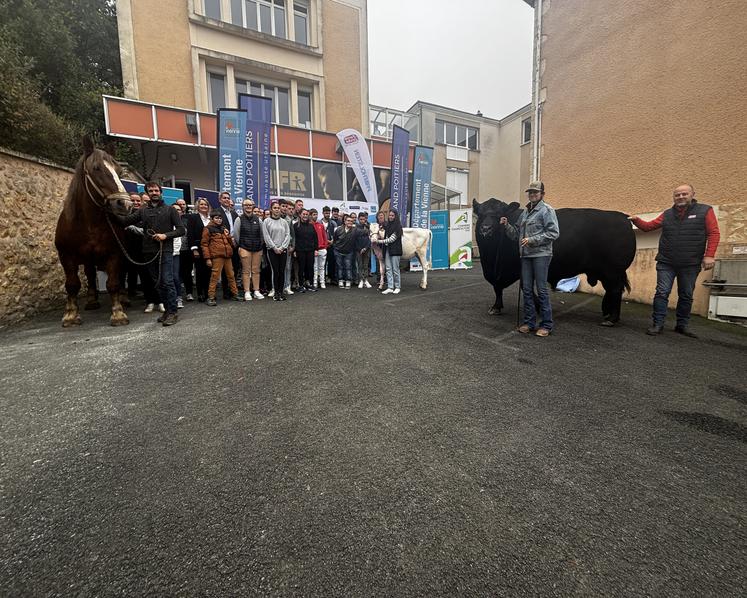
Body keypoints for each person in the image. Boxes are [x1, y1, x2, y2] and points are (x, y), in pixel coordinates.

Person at [629, 184, 720, 338]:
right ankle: (657, 324)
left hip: (690, 263)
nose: (681, 197)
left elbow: (714, 233)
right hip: (666, 262)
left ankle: (682, 325)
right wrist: (636, 220)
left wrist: (709, 255)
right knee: (662, 292)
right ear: (674, 197)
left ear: (692, 194)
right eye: (677, 195)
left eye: (684, 194)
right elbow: (648, 227)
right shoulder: (667, 214)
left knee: (686, 295)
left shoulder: (705, 211)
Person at [114, 181, 185, 326]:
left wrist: (166, 235)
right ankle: (166, 311)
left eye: (156, 191)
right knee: (158, 283)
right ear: (147, 193)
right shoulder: (143, 211)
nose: (154, 193)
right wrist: (111, 212)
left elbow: (181, 230)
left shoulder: (170, 210)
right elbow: (125, 221)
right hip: (148, 251)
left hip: (164, 250)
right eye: (151, 191)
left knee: (167, 281)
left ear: (161, 192)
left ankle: (172, 312)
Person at [500, 181, 560, 337]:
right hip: (525, 256)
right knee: (526, 289)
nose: (532, 194)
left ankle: (546, 325)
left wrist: (533, 239)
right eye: (530, 192)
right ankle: (529, 322)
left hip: (541, 255)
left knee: (541, 290)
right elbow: (516, 233)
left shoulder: (547, 210)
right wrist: (507, 225)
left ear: (542, 194)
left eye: (535, 192)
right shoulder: (525, 212)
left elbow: (554, 233)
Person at [201, 210, 240, 306]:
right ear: (212, 218)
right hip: (217, 256)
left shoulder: (223, 228)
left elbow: (231, 244)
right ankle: (211, 297)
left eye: (220, 218)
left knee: (231, 275)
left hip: (227, 256)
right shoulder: (208, 229)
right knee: (214, 277)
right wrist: (207, 258)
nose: (219, 220)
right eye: (216, 218)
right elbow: (204, 244)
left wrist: (228, 236)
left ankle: (235, 294)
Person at [233, 199, 265, 301]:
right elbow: (236, 235)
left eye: (250, 205)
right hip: (244, 248)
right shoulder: (239, 219)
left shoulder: (258, 219)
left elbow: (262, 234)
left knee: (256, 271)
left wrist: (260, 244)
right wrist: (241, 246)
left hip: (257, 248)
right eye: (246, 205)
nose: (248, 206)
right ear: (242, 206)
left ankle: (256, 290)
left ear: (253, 206)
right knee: (246, 271)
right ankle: (247, 291)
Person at [262, 201, 291, 301]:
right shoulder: (266, 221)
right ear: (271, 209)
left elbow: (288, 235)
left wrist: (282, 247)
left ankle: (281, 292)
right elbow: (266, 236)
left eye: (278, 208)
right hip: (272, 250)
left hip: (283, 250)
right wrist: (274, 248)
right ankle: (276, 292)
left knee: (282, 271)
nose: (277, 209)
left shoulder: (284, 222)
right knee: (276, 271)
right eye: (275, 208)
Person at [373, 209, 404, 295]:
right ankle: (390, 287)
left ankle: (397, 287)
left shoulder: (398, 227)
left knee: (395, 270)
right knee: (388, 269)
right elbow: (386, 236)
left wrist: (378, 241)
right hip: (387, 250)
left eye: (392, 215)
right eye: (389, 215)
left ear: (395, 216)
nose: (390, 217)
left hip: (395, 251)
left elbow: (391, 239)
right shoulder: (388, 226)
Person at [187, 198, 212, 302]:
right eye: (201, 204)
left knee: (209, 271)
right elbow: (190, 234)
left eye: (205, 205)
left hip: (210, 248)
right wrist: (194, 249)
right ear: (197, 206)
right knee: (200, 271)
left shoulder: (211, 218)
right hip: (198, 248)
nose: (204, 206)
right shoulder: (193, 217)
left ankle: (208, 292)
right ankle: (200, 293)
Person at [218, 191, 240, 298]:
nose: (226, 200)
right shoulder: (217, 212)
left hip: (234, 244)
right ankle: (226, 291)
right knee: (225, 269)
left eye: (228, 198)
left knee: (235, 268)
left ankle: (233, 290)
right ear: (220, 200)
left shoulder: (234, 213)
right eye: (224, 198)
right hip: (224, 244)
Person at [293, 208, 319, 293]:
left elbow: (315, 238)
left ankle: (309, 284)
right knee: (301, 268)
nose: (305, 216)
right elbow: (294, 239)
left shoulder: (311, 226)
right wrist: (295, 250)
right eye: (303, 214)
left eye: (306, 214)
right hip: (300, 250)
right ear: (300, 215)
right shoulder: (296, 226)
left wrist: (316, 249)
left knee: (310, 268)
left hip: (310, 250)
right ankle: (300, 285)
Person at [175, 199, 194, 301]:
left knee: (187, 272)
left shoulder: (188, 218)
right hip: (174, 251)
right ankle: (178, 296)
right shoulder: (169, 219)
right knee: (176, 274)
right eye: (179, 205)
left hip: (186, 250)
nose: (181, 207)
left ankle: (189, 293)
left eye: (183, 204)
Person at [333, 214, 357, 289]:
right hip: (338, 251)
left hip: (349, 252)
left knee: (348, 267)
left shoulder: (355, 230)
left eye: (351, 221)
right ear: (345, 221)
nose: (350, 222)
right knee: (339, 267)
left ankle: (348, 281)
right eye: (348, 221)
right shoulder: (338, 229)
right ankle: (340, 280)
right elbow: (335, 239)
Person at [310, 209, 328, 289]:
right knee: (315, 267)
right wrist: (313, 249)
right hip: (313, 250)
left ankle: (322, 282)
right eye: (314, 214)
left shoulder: (320, 225)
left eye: (316, 214)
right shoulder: (309, 225)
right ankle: (314, 282)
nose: (315, 216)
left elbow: (325, 237)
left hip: (322, 249)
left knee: (322, 267)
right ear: (310, 215)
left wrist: (325, 247)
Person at [281, 201, 296, 295]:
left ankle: (287, 286)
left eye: (286, 207)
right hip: (277, 247)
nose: (285, 208)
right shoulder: (272, 219)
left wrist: (292, 246)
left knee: (287, 267)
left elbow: (292, 235)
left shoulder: (288, 220)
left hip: (288, 248)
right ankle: (278, 287)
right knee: (278, 269)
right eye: (283, 206)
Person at [172, 204, 185, 309]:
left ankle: (179, 297)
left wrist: (174, 252)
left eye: (178, 210)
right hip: (163, 254)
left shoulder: (179, 225)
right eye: (174, 210)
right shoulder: (166, 222)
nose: (176, 211)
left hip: (175, 254)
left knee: (175, 276)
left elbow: (177, 241)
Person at [355, 212, 372, 288]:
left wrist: (365, 248)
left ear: (365, 219)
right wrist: (360, 249)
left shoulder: (369, 227)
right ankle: (361, 280)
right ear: (358, 219)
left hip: (367, 249)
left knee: (365, 265)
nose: (362, 221)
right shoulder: (355, 227)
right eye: (361, 219)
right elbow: (355, 239)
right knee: (360, 265)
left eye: (363, 219)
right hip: (358, 250)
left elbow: (370, 239)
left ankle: (366, 280)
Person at [321, 206, 338, 284]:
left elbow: (336, 234)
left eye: (328, 213)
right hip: (322, 245)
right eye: (326, 213)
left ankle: (332, 278)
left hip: (331, 245)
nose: (327, 214)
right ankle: (322, 278)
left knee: (332, 262)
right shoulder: (319, 222)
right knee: (323, 263)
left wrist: (332, 241)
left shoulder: (333, 223)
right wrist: (325, 241)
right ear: (323, 213)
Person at [372, 211, 387, 289]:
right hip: (377, 248)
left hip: (386, 247)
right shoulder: (375, 226)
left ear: (384, 216)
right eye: (379, 216)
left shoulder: (387, 224)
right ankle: (379, 279)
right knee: (379, 264)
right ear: (377, 217)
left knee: (387, 263)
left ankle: (386, 279)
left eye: (382, 215)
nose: (380, 217)